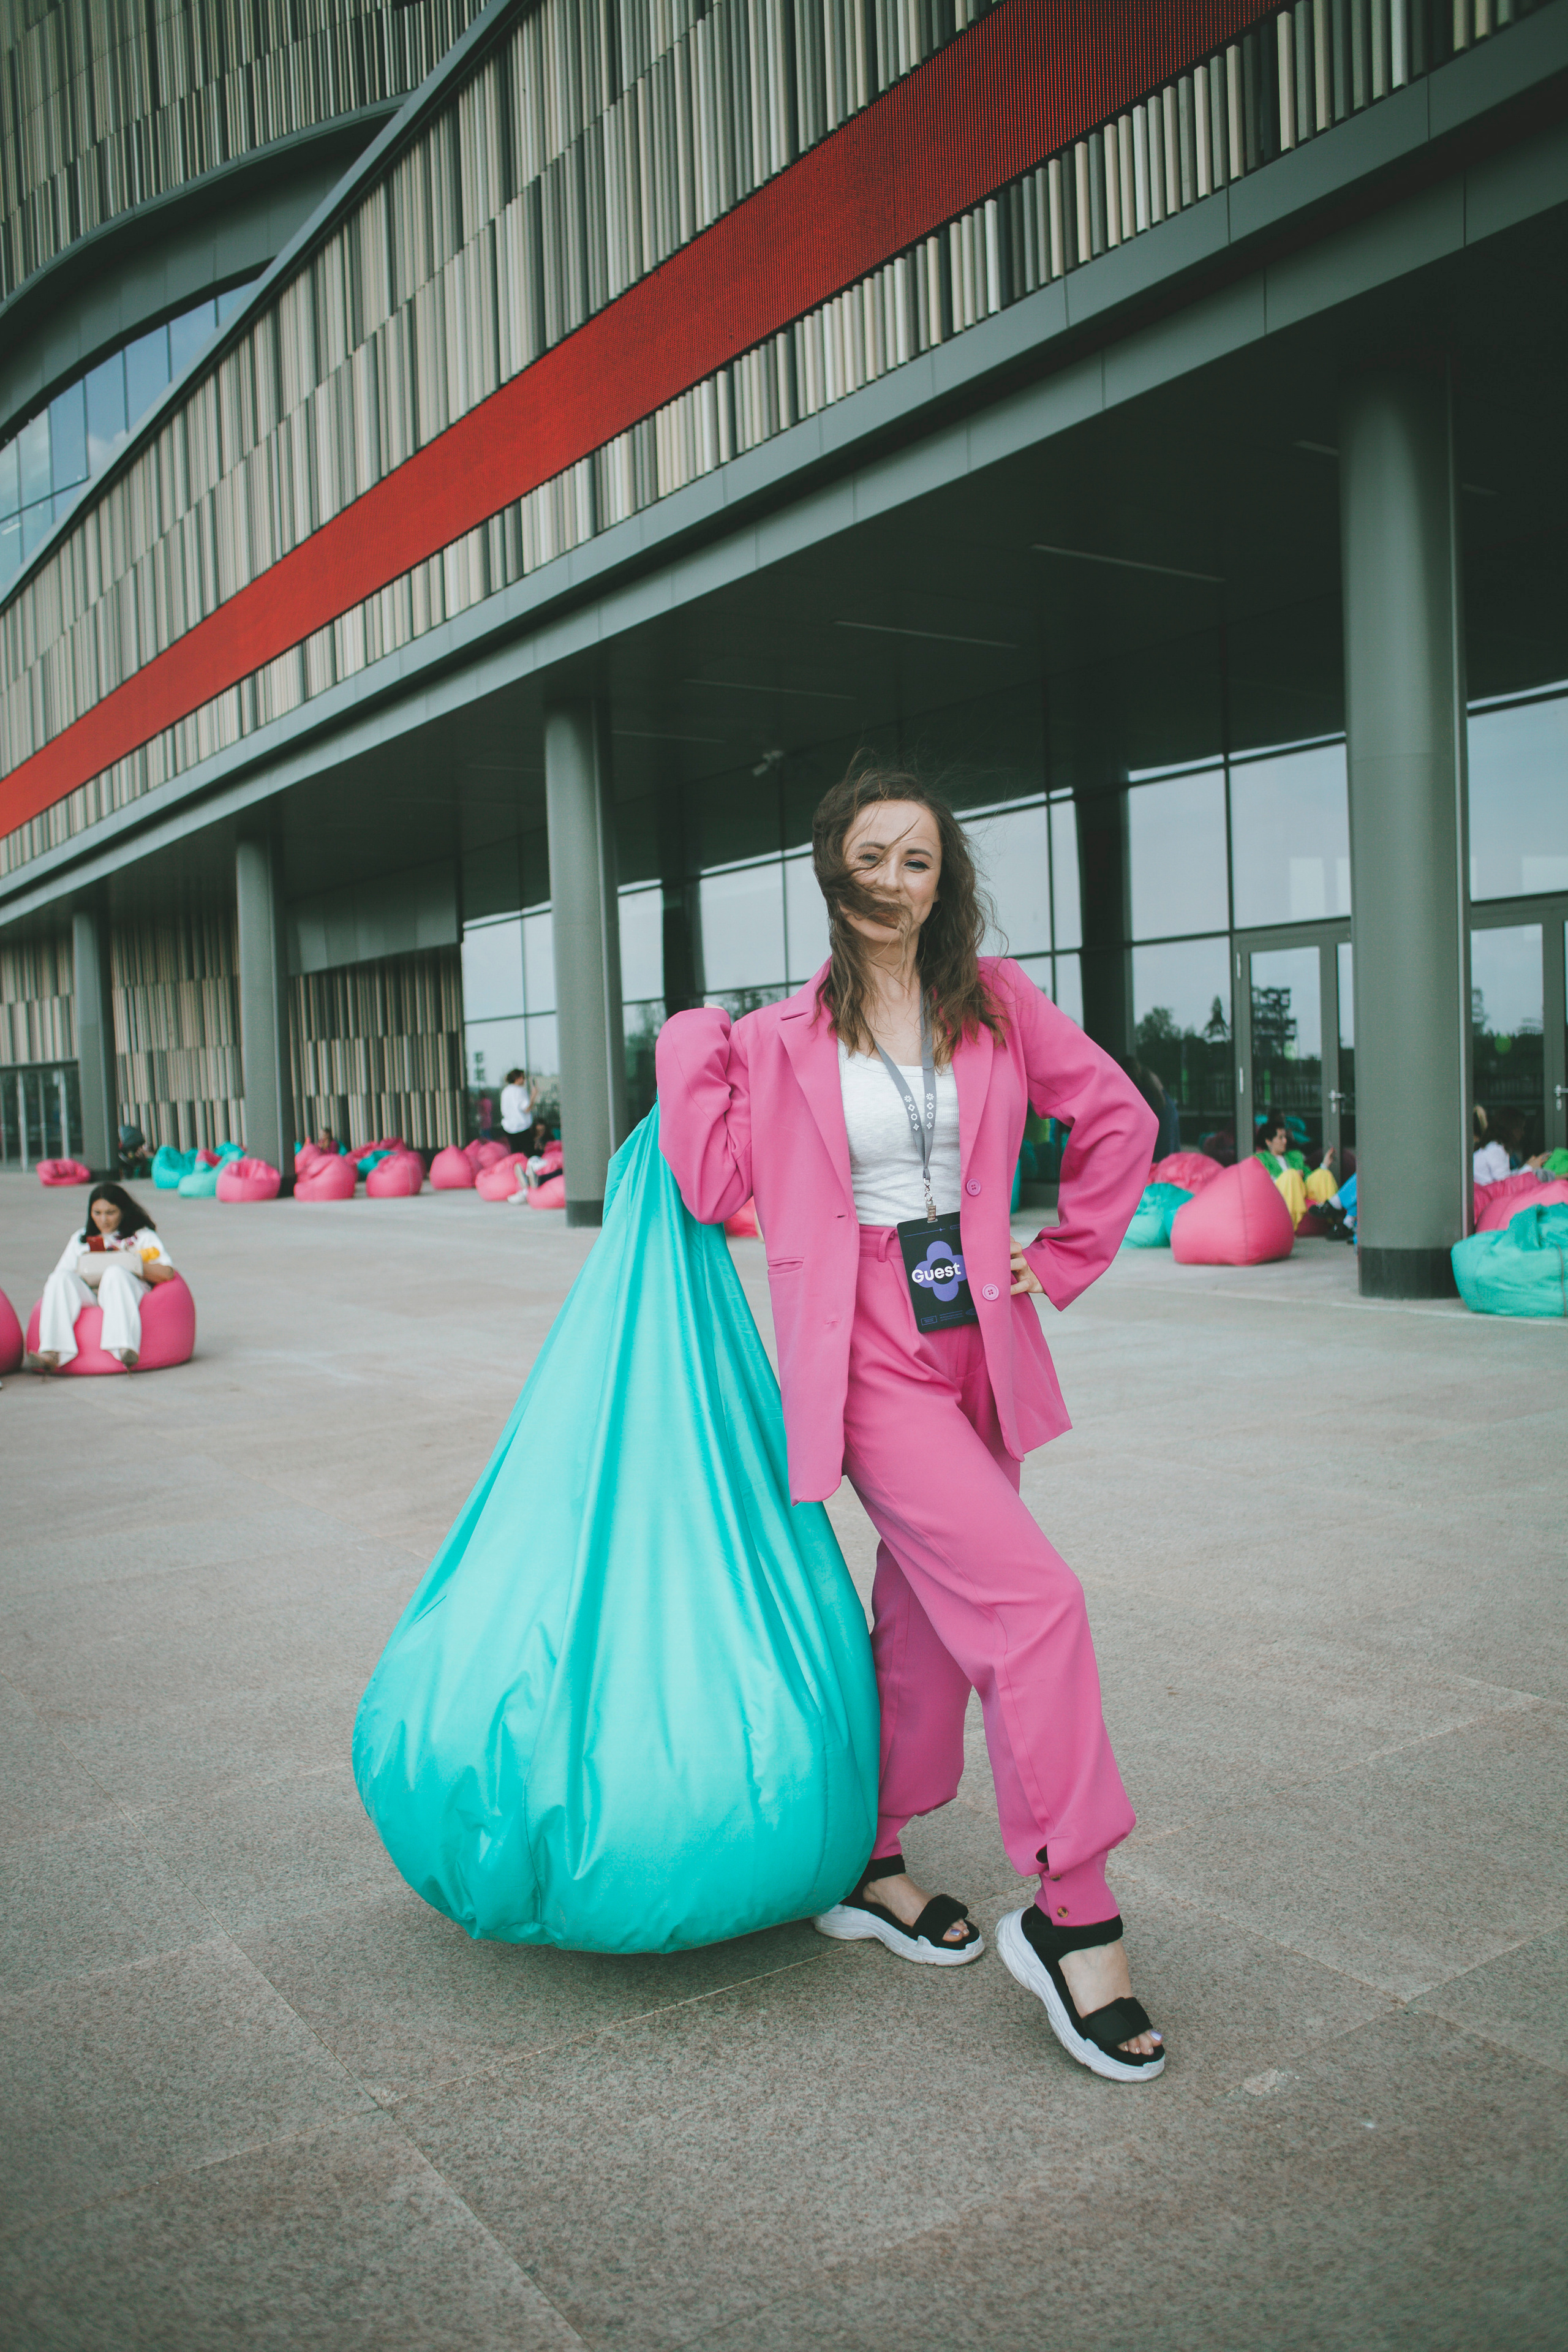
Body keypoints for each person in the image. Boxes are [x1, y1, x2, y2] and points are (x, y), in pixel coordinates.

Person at [656, 762, 1165, 2083]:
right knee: (1034, 1602)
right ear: (831, 869)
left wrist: (1061, 1257)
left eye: (918, 859)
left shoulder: (994, 1001)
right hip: (866, 1342)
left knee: (931, 1611)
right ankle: (1075, 1913)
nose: (893, 878)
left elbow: (1118, 1117)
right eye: (871, 855)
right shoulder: (775, 1038)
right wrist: (691, 1036)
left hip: (978, 1332)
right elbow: (708, 1182)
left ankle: (868, 1861)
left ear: (944, 884)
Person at [28, 1182, 178, 1372]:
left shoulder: (142, 1236)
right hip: (90, 1291)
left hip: (126, 1288)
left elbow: (167, 1272)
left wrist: (127, 1261)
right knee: (59, 1279)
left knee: (115, 1273)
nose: (104, 1220)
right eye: (97, 1213)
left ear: (123, 1211)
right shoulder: (81, 1238)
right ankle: (51, 1353)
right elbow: (61, 1275)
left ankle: (125, 1348)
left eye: (111, 1213)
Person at [1255, 1118, 1340, 1229]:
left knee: (1324, 1175)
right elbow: (1264, 1184)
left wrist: (1324, 1165)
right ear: (1268, 1141)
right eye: (1280, 1138)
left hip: (1301, 1190)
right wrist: (1294, 1175)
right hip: (1279, 1195)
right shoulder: (1261, 1159)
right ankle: (1290, 1227)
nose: (1285, 1141)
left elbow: (1310, 1179)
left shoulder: (1295, 1156)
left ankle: (1335, 1220)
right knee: (1291, 1175)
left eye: (1285, 1137)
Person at [499, 1069, 537, 1155]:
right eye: (523, 1077)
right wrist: (533, 1096)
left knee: (516, 1153)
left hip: (508, 1126)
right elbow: (527, 1109)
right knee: (529, 1153)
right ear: (518, 1078)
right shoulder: (520, 1091)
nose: (524, 1080)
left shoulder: (505, 1091)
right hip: (521, 1126)